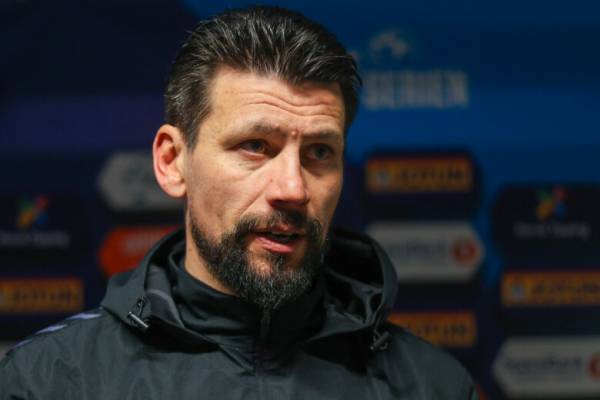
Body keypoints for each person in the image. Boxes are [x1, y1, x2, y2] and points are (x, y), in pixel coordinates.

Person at [1, 6, 478, 399]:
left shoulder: (432, 386)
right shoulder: (50, 381)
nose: (292, 188)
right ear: (172, 162)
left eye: (319, 152)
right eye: (255, 146)